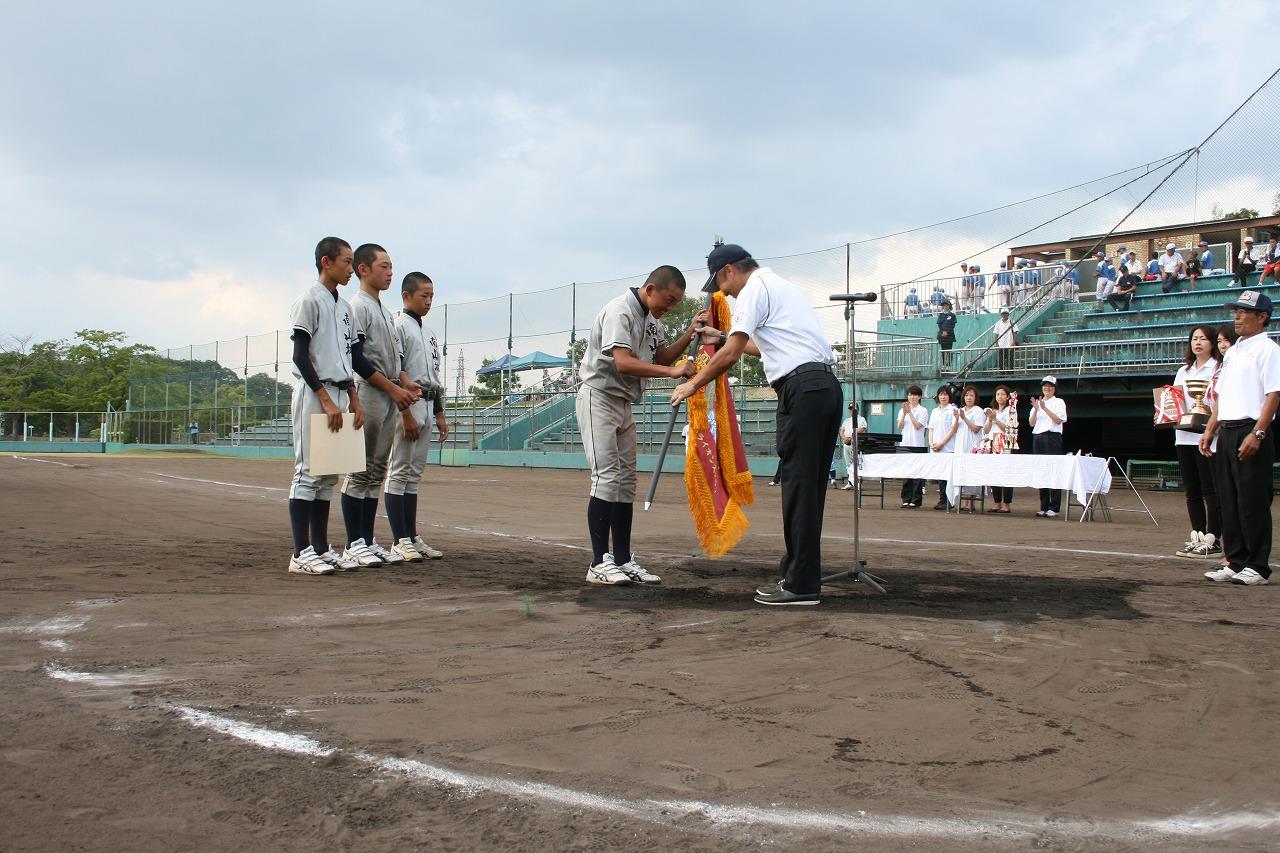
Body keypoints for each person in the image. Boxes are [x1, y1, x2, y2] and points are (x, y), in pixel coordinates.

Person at [671, 244, 841, 606]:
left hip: (803, 391)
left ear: (730, 270)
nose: (722, 292)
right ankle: (798, 570)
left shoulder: (751, 291)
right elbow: (768, 347)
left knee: (798, 487)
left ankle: (801, 585)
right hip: (823, 387)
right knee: (808, 489)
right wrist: (719, 338)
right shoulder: (780, 286)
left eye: (720, 283)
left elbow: (731, 354)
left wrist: (693, 383)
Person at [581, 265, 702, 586]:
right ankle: (597, 563)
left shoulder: (652, 321)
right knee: (606, 478)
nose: (670, 306)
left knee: (626, 483)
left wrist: (689, 333)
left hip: (623, 402)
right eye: (669, 299)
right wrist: (674, 373)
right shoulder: (619, 311)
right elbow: (622, 361)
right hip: (599, 397)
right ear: (650, 289)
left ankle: (622, 559)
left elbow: (661, 357)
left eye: (676, 302)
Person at [286, 237, 366, 576]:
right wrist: (323, 398)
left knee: (328, 474)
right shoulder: (309, 299)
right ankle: (300, 553)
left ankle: (320, 548)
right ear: (326, 262)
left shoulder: (344, 307)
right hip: (313, 392)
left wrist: (353, 399)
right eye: (346, 262)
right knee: (307, 472)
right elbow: (300, 356)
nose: (350, 268)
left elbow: (346, 357)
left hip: (338, 391)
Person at [338, 244, 420, 569]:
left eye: (391, 266)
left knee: (376, 470)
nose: (390, 272)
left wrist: (403, 381)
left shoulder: (386, 312)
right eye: (384, 266)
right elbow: (356, 358)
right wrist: (392, 387)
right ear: (363, 269)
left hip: (387, 390)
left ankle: (368, 540)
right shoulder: (358, 306)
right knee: (358, 468)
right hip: (368, 390)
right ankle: (352, 543)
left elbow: (396, 357)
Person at [1199, 290, 1280, 586]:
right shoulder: (1232, 352)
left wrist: (1258, 432)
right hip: (1228, 429)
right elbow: (1223, 395)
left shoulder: (1268, 349)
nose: (1237, 315)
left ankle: (1257, 565)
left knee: (1252, 499)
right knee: (1229, 499)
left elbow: (1274, 393)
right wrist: (1210, 428)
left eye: (1245, 310)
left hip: (1250, 427)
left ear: (1262, 317)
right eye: (1236, 309)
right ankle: (1235, 559)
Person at [384, 272, 449, 563]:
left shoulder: (430, 333)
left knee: (413, 477)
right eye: (424, 295)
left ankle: (411, 536)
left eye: (432, 296)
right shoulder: (397, 326)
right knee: (399, 473)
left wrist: (440, 413)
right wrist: (405, 413)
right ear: (406, 296)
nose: (429, 301)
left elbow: (432, 378)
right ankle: (399, 540)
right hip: (406, 405)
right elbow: (397, 372)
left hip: (427, 402)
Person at [1172, 326, 1222, 560]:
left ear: (1213, 342)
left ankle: (1214, 538)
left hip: (1208, 436)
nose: (1198, 342)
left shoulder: (1218, 368)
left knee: (1210, 489)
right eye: (1194, 338)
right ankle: (1198, 535)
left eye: (1203, 338)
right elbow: (1176, 398)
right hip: (1183, 435)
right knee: (1192, 490)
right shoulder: (1184, 370)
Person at [1029, 375, 1067, 517]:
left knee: (1054, 470)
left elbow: (1058, 420)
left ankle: (1054, 507)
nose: (1047, 388)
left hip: (1052, 437)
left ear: (1054, 388)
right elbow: (1031, 423)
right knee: (1041, 471)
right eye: (1045, 385)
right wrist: (1037, 409)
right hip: (1038, 437)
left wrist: (1044, 409)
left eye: (1050, 386)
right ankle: (1043, 506)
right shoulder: (1039, 402)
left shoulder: (1059, 402)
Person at [984, 385, 1018, 512]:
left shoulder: (1011, 410)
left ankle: (1006, 503)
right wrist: (990, 418)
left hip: (1007, 442)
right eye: (998, 394)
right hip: (994, 441)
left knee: (1007, 472)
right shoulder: (993, 410)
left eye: (1003, 394)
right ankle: (997, 502)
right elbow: (986, 430)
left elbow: (1010, 429)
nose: (1000, 396)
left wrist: (996, 420)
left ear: (1008, 396)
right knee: (994, 471)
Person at [954, 386, 988, 512]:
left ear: (975, 398)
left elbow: (976, 429)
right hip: (960, 443)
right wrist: (958, 418)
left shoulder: (978, 411)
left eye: (971, 395)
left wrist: (964, 418)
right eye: (967, 395)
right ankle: (963, 500)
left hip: (972, 444)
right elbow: (955, 428)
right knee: (961, 470)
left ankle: (971, 501)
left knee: (972, 471)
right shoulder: (960, 410)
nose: (968, 397)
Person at [897, 385, 929, 508]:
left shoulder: (923, 411)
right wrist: (904, 414)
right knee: (906, 473)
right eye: (910, 394)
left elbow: (917, 426)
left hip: (917, 445)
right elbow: (899, 426)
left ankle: (916, 500)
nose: (912, 397)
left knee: (916, 473)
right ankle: (906, 498)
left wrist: (909, 412)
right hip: (905, 443)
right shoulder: (902, 410)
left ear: (919, 396)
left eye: (915, 395)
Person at [927, 385, 959, 511]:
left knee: (948, 476)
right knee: (940, 476)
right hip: (936, 448)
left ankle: (949, 501)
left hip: (948, 447)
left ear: (949, 397)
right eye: (941, 394)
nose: (943, 397)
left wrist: (941, 443)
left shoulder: (953, 410)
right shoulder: (935, 411)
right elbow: (931, 429)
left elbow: (953, 430)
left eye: (945, 394)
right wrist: (932, 443)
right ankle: (942, 500)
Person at [838, 403, 868, 490]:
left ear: (857, 410)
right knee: (848, 464)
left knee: (857, 463)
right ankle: (850, 482)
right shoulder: (847, 420)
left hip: (857, 443)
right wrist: (844, 438)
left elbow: (863, 428)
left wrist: (852, 435)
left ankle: (858, 483)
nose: (852, 410)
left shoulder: (861, 419)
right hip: (847, 443)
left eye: (854, 409)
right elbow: (841, 430)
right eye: (850, 409)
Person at [936, 299, 957, 370]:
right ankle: (944, 364)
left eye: (946, 305)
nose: (945, 307)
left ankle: (949, 365)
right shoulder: (941, 315)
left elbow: (952, 325)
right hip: (942, 336)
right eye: (944, 305)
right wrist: (943, 332)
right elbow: (939, 324)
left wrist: (947, 331)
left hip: (949, 336)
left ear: (949, 306)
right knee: (943, 350)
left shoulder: (952, 315)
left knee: (949, 350)